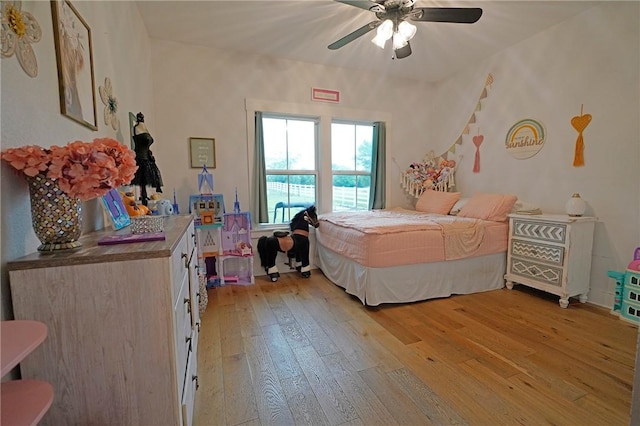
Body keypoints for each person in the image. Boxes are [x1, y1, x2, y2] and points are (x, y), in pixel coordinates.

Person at [131, 112, 163, 205]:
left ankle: (145, 201)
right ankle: (143, 201)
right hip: (140, 158)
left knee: (146, 182)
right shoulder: (136, 128)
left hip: (147, 159)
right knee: (142, 182)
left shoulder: (144, 127)